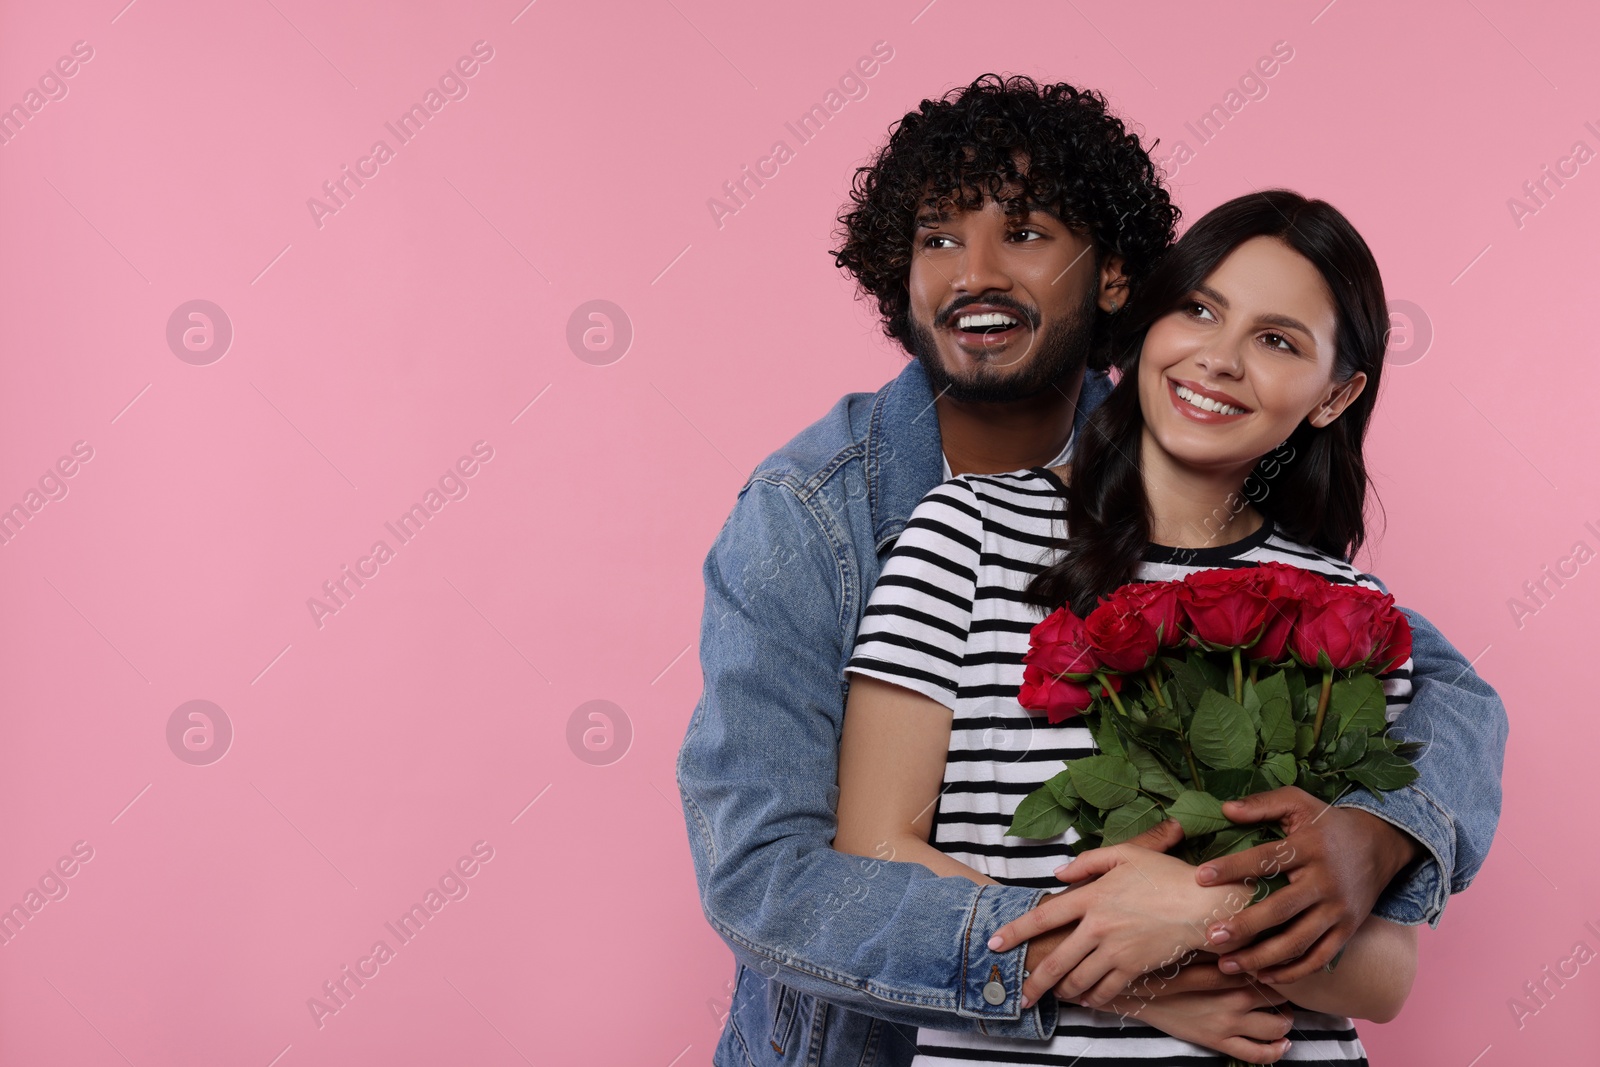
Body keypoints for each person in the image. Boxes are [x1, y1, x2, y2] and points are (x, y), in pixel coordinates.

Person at [676, 74, 1507, 1067]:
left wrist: (1383, 831)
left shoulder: (1260, 540)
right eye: (936, 237)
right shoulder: (819, 512)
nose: (972, 273)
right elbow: (773, 874)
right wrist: (1141, 967)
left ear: (1115, 279)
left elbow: (1444, 686)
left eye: (1024, 234)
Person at [836, 189, 1423, 1063]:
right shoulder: (966, 533)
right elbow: (874, 851)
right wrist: (1152, 985)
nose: (1218, 359)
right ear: (1150, 321)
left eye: (1275, 340)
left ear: (1336, 394)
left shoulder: (1351, 611)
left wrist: (1202, 910)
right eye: (1199, 309)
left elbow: (1386, 974)